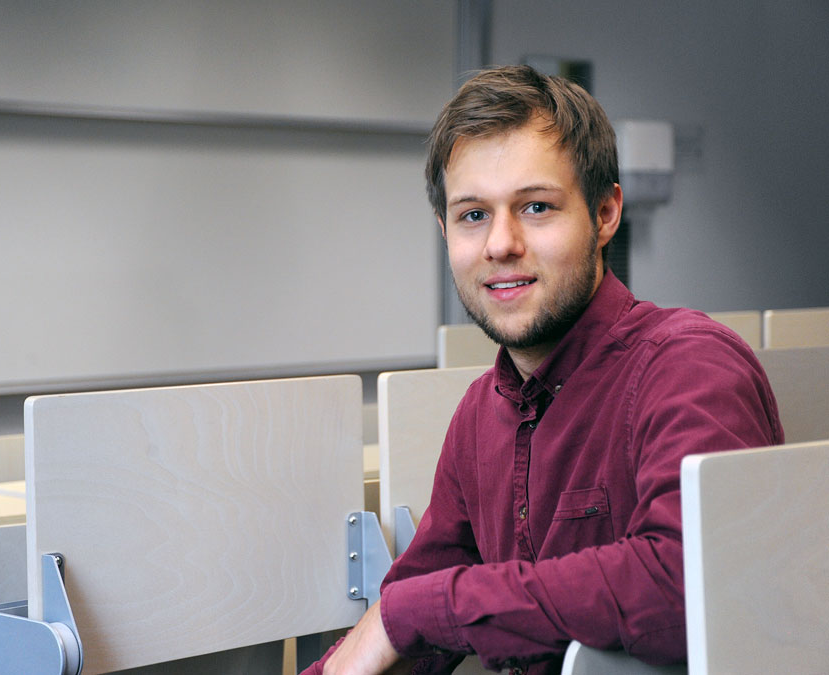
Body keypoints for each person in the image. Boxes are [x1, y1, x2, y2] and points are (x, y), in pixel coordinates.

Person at [303, 65, 783, 675]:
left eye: (535, 206)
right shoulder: (481, 413)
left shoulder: (689, 366)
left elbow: (690, 586)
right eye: (472, 215)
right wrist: (407, 616)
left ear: (606, 214)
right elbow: (403, 631)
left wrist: (420, 608)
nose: (500, 243)